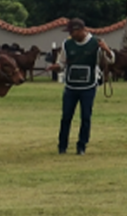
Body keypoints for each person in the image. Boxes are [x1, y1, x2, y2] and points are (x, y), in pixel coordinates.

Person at [46, 18, 114, 155]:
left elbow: (111, 59)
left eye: (72, 31)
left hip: (88, 86)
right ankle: (62, 146)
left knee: (85, 117)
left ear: (80, 30)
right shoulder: (67, 44)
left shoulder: (96, 43)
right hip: (71, 86)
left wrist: (106, 50)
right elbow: (62, 63)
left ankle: (81, 145)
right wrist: (56, 67)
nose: (70, 34)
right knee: (66, 117)